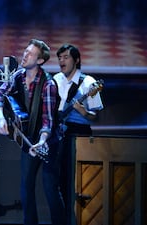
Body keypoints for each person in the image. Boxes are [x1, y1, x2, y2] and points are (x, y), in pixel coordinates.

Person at [0, 39, 65, 225]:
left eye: (30, 54)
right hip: (28, 138)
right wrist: (0, 116)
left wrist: (42, 141)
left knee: (50, 187)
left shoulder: (48, 84)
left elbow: (48, 121)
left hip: (48, 143)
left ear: (40, 61)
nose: (25, 56)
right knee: (26, 186)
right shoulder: (18, 76)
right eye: (25, 51)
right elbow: (1, 92)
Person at [53, 44, 104, 225]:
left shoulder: (89, 83)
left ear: (77, 60)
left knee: (76, 181)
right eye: (60, 58)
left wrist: (83, 111)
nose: (61, 61)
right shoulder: (55, 80)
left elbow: (97, 118)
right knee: (57, 182)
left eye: (66, 57)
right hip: (57, 133)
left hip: (78, 134)